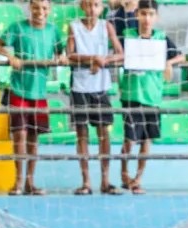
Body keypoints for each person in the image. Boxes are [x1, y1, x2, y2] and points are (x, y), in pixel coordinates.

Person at [0, 0, 67, 196]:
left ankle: (30, 182)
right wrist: (10, 57)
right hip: (18, 90)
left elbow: (62, 52)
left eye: (44, 8)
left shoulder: (53, 31)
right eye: (36, 7)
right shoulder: (17, 27)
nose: (40, 12)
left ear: (49, 10)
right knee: (19, 136)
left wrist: (61, 57)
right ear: (30, 8)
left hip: (39, 93)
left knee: (34, 139)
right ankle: (17, 181)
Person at [117, 0, 186, 194]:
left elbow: (182, 56)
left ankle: (138, 178)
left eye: (150, 14)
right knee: (129, 139)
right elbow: (117, 55)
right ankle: (124, 174)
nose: (147, 19)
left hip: (153, 95)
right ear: (137, 14)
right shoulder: (128, 36)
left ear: (156, 17)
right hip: (132, 93)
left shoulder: (161, 38)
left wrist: (169, 63)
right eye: (143, 14)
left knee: (146, 140)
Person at [67, 0, 124, 195]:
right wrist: (91, 59)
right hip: (80, 86)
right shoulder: (73, 26)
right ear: (82, 6)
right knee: (81, 134)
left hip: (101, 87)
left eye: (96, 5)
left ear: (101, 8)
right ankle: (86, 182)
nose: (92, 9)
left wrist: (103, 61)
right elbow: (69, 54)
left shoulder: (106, 26)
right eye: (89, 5)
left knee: (103, 134)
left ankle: (105, 181)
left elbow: (120, 54)